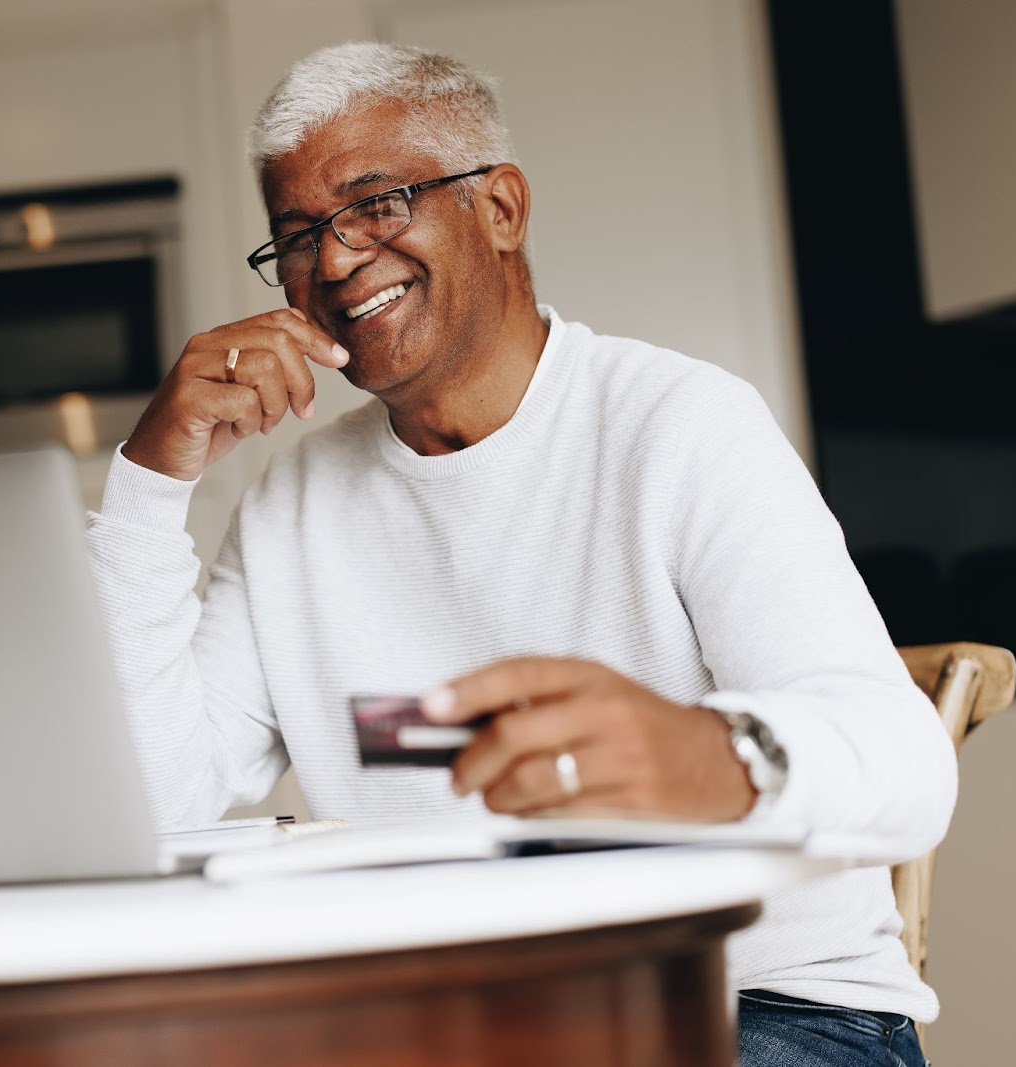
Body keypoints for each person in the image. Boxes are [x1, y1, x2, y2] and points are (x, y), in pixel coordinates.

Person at [85, 41, 950, 1067]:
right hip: (453, 1022)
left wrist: (701, 753)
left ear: (499, 209)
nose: (336, 260)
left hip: (756, 1005)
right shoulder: (291, 503)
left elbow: (905, 767)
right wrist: (149, 480)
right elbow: (147, 800)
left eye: (378, 203)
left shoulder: (679, 424)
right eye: (299, 235)